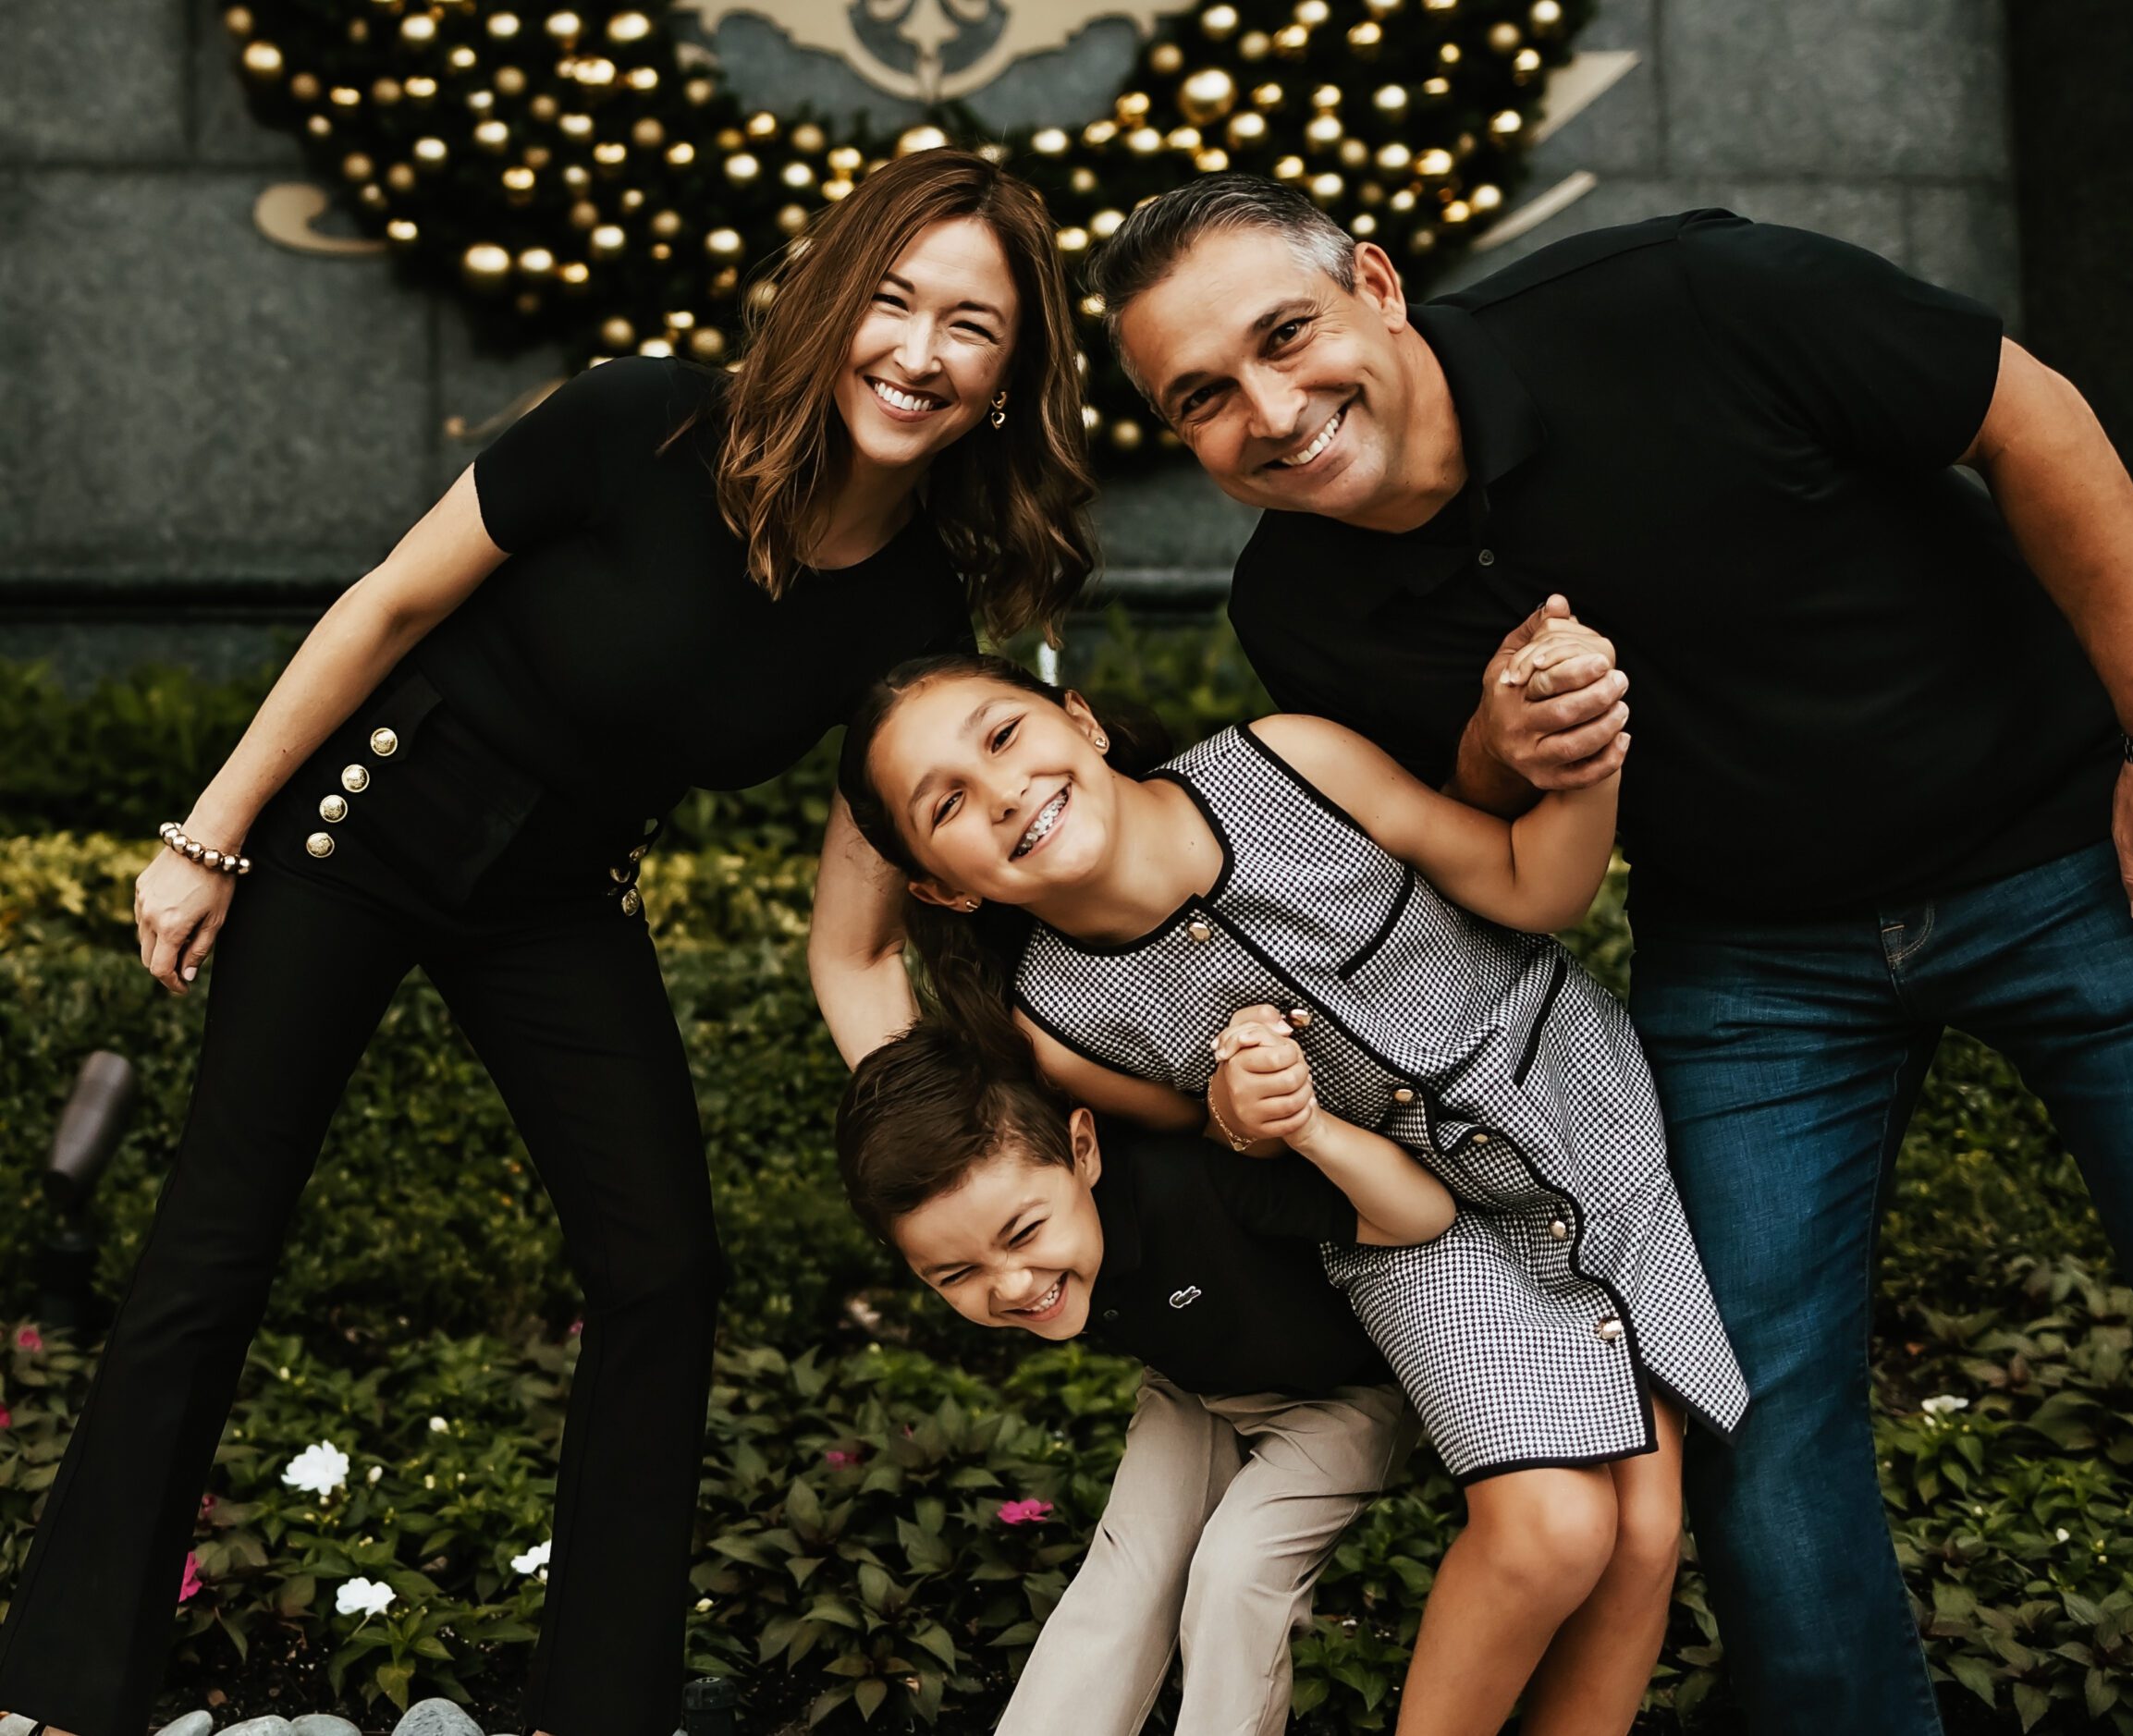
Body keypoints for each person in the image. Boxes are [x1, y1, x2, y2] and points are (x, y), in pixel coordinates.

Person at [1082, 175, 2133, 1735]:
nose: (1272, 411)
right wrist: (1495, 749)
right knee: (1751, 1397)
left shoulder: (1682, 305)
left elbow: (2032, 420)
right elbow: (1486, 867)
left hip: (2063, 850)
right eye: (1203, 398)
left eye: (1286, 335)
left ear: (1377, 281)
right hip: (1757, 953)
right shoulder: (1303, 606)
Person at [0, 149, 1093, 1736]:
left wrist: (952, 1167)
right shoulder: (637, 425)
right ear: (829, 300)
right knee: (214, 1246)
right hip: (350, 836)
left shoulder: (919, 606)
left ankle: (603, 1707)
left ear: (1012, 374)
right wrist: (206, 833)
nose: (917, 352)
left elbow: (855, 935)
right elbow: (383, 606)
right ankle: (62, 1693)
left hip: (554, 899)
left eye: (971, 328)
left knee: (664, 1263)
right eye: (893, 300)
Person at [833, 649, 1748, 1736]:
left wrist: (1585, 763)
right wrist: (1238, 1109)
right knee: (1549, 1528)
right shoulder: (1058, 1024)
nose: (1001, 791)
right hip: (1408, 1223)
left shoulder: (1289, 764)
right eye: (948, 806)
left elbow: (1528, 885)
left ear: (1076, 719)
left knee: (1646, 1532)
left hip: (1581, 1128)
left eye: (1001, 736)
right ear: (945, 886)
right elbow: (1218, 1161)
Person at [837, 1018, 1441, 1736]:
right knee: (1127, 1574)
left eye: (1025, 1233)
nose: (1014, 1286)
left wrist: (1307, 1128)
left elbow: (1423, 1215)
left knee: (1236, 1575)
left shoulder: (1194, 1187)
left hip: (1341, 1396)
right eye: (958, 1273)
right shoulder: (1054, 1251)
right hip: (1192, 1386)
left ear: (1083, 1151)